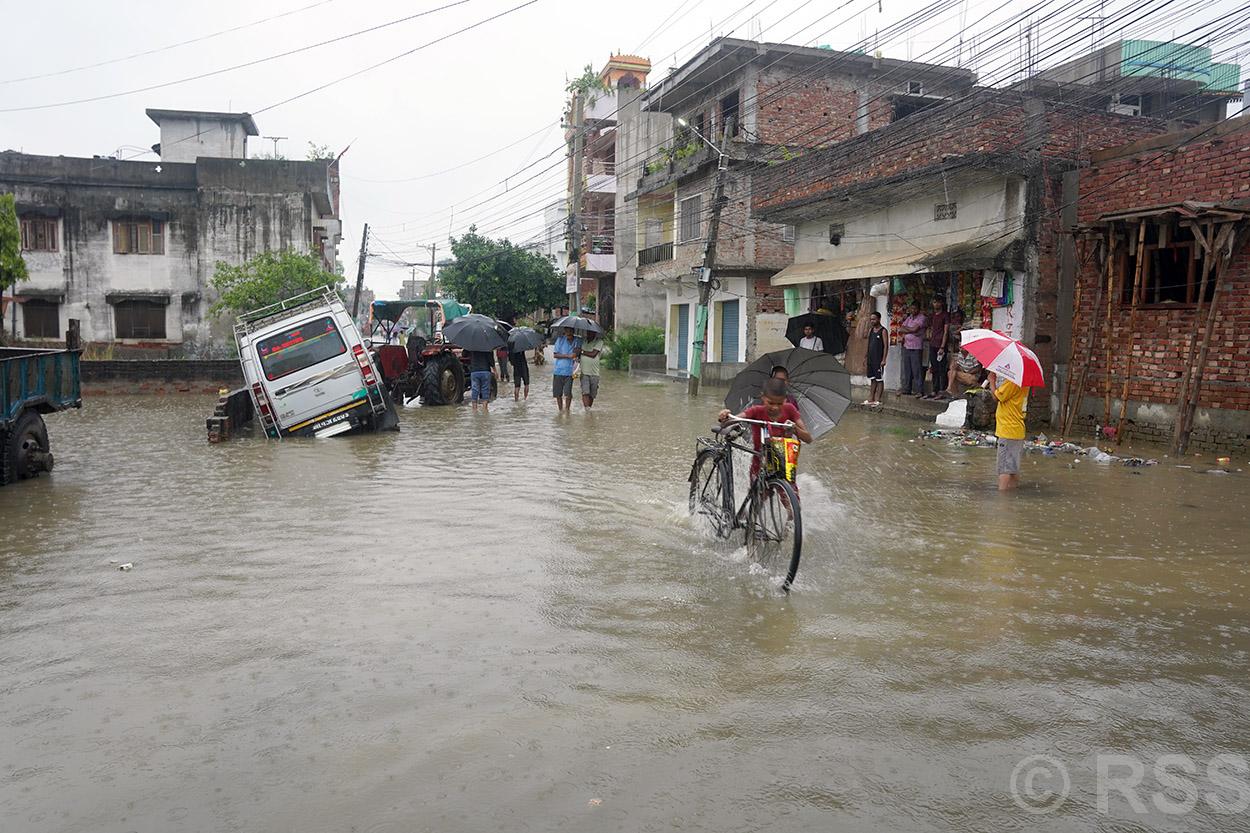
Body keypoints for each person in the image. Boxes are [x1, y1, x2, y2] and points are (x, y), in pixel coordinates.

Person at [718, 378, 814, 486]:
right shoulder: (756, 411)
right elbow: (735, 419)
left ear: (785, 400)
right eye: (771, 403)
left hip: (784, 464)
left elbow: (808, 439)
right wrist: (725, 416)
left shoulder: (790, 409)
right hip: (759, 464)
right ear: (763, 397)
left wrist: (794, 428)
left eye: (779, 403)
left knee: (789, 498)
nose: (775, 407)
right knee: (759, 497)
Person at [990, 371, 1028, 491]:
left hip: (1008, 429)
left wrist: (992, 380)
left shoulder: (1012, 382)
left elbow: (996, 396)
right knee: (1013, 468)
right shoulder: (1024, 383)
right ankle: (1012, 494)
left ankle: (1003, 499)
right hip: (1017, 429)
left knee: (1004, 469)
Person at [923, 297, 950, 399]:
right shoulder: (932, 316)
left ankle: (942, 391)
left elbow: (946, 331)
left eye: (937, 302)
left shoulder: (945, 315)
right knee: (934, 368)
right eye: (934, 302)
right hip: (933, 344)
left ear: (941, 303)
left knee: (942, 369)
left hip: (941, 345)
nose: (936, 304)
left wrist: (942, 346)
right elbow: (929, 328)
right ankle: (934, 390)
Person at [899, 301, 927, 396]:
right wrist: (910, 331)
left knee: (917, 369)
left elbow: (915, 329)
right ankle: (907, 388)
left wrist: (908, 330)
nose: (913, 310)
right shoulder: (909, 318)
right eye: (911, 308)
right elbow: (901, 328)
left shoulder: (922, 318)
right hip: (907, 346)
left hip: (916, 347)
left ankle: (919, 390)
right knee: (907, 369)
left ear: (918, 309)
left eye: (915, 308)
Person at [552, 326, 582, 413]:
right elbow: (555, 354)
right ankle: (560, 410)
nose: (568, 333)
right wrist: (568, 356)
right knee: (558, 394)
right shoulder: (560, 340)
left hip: (570, 371)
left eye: (570, 331)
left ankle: (567, 410)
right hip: (558, 370)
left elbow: (578, 352)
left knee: (568, 393)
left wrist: (577, 352)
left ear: (573, 331)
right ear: (564, 331)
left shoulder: (578, 340)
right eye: (567, 331)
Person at [865, 311, 888, 407]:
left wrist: (884, 359)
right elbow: (868, 344)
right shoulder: (871, 330)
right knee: (872, 379)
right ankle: (871, 398)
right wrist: (865, 357)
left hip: (878, 359)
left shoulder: (883, 331)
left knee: (879, 379)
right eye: (871, 319)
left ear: (879, 319)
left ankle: (878, 399)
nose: (872, 321)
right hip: (870, 358)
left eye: (874, 319)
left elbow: (886, 346)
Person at [467, 348, 497, 414]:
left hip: (474, 371)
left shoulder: (471, 346)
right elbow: (491, 360)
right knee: (485, 390)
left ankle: (474, 409)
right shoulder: (488, 346)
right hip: (485, 371)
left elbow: (464, 354)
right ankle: (485, 409)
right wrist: (495, 370)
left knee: (475, 390)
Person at [579, 331, 602, 408]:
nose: (589, 334)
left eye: (591, 333)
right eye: (588, 333)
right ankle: (587, 410)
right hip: (584, 372)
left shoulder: (599, 341)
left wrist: (581, 351)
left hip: (594, 373)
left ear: (595, 334)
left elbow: (593, 354)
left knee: (592, 394)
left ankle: (589, 408)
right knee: (585, 392)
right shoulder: (583, 341)